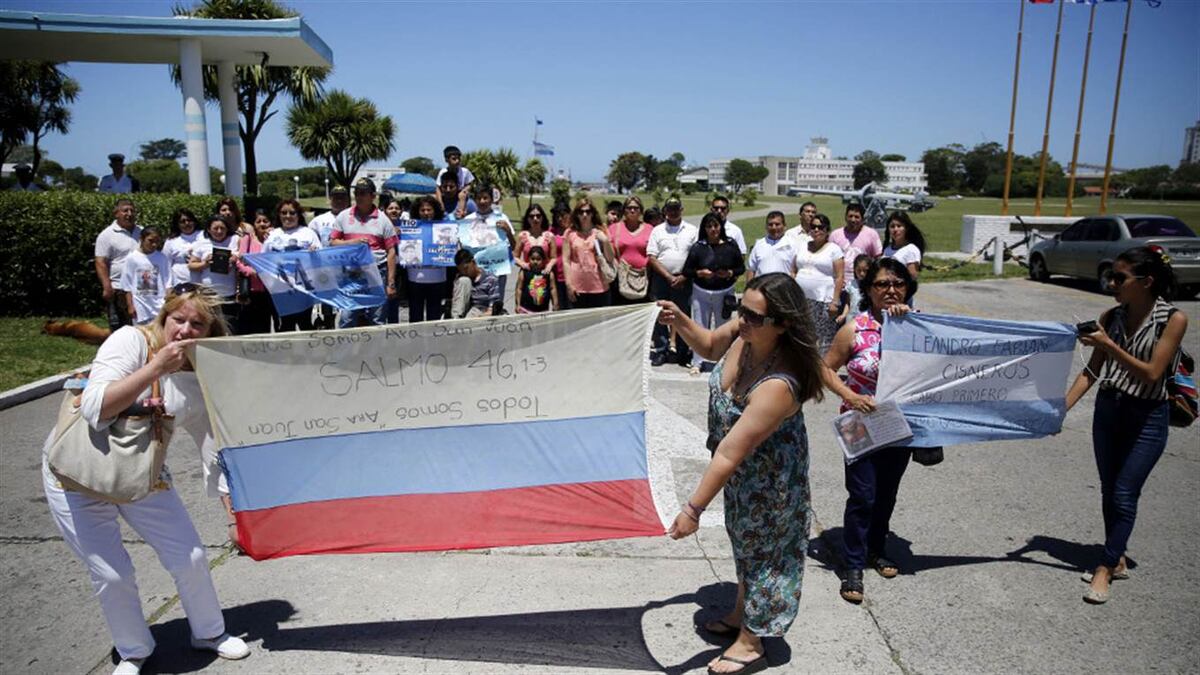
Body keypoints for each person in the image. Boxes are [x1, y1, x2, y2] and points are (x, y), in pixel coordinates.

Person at [42, 286, 250, 675]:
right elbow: (94, 407)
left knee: (190, 556)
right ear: (163, 318)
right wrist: (155, 369)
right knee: (112, 572)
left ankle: (208, 632)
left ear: (209, 332)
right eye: (179, 320)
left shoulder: (201, 376)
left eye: (197, 324)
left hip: (141, 471)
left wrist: (232, 516)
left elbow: (213, 448)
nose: (185, 330)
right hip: (77, 473)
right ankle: (133, 650)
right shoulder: (130, 341)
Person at [659, 273, 825, 675]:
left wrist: (693, 509)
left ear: (782, 323)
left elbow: (731, 452)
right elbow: (711, 345)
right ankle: (740, 611)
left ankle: (753, 641)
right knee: (744, 543)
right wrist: (681, 319)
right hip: (742, 476)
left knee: (768, 554)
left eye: (753, 316)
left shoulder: (779, 384)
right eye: (740, 309)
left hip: (770, 482)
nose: (741, 320)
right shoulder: (747, 332)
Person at [1065, 247, 1189, 605]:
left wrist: (1107, 343)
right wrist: (1061, 409)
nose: (1111, 283)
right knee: (1109, 489)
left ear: (1147, 282)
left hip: (1148, 414)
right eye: (1112, 276)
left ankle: (1104, 567)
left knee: (1124, 492)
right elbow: (1092, 371)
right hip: (1109, 410)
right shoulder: (1112, 315)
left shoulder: (1173, 319)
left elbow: (1152, 372)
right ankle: (1115, 554)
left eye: (1120, 278)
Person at [821, 257, 917, 605]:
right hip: (857, 422)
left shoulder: (918, 328)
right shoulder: (854, 329)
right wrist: (849, 395)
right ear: (868, 290)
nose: (891, 290)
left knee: (886, 493)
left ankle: (877, 548)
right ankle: (853, 564)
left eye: (898, 283)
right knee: (862, 494)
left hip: (898, 424)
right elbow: (825, 368)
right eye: (882, 284)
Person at [683, 213, 745, 375]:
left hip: (724, 292)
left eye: (716, 226)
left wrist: (730, 272)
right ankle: (697, 361)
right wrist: (700, 273)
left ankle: (723, 361)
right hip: (701, 292)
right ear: (704, 228)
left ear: (721, 227)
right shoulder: (698, 247)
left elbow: (741, 267)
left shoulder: (730, 245)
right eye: (709, 226)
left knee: (723, 328)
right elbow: (687, 270)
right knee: (699, 326)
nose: (713, 230)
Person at [331, 178, 398, 327]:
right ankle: (347, 350)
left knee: (377, 318)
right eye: (357, 193)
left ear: (373, 196)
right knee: (347, 317)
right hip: (351, 275)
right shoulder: (343, 216)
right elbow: (333, 242)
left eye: (363, 193)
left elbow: (391, 252)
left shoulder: (383, 219)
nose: (359, 197)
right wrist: (351, 243)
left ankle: (376, 350)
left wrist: (391, 283)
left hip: (377, 273)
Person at [647, 196, 698, 366]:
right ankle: (662, 350)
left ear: (681, 210)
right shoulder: (657, 230)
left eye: (676, 208)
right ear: (665, 211)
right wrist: (668, 277)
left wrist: (684, 276)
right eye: (670, 209)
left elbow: (696, 256)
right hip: (662, 278)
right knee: (660, 314)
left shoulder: (692, 230)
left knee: (682, 315)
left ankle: (683, 351)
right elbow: (652, 257)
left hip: (684, 278)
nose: (673, 212)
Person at [262, 198, 321, 332]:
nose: (287, 216)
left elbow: (320, 258)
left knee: (305, 323)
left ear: (298, 215)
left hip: (305, 289)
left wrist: (314, 252)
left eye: (292, 213)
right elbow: (264, 260)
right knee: (286, 326)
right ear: (278, 215)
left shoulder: (308, 233)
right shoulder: (272, 235)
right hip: (281, 290)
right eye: (284, 213)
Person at [794, 213, 845, 352]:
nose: (816, 230)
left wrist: (835, 301)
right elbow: (793, 271)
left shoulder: (834, 249)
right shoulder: (802, 246)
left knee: (824, 339)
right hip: (802, 300)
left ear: (827, 230)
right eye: (813, 227)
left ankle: (823, 368)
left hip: (824, 301)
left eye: (820, 227)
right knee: (804, 336)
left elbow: (840, 276)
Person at [462, 183, 516, 301]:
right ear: (474, 200)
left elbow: (513, 246)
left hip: (497, 271)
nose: (482, 201)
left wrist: (507, 231)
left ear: (491, 199)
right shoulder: (467, 221)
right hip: (476, 273)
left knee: (496, 305)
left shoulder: (502, 218)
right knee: (476, 305)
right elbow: (463, 250)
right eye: (479, 198)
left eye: (485, 198)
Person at [95, 199, 143, 331]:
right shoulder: (106, 235)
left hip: (143, 286)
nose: (129, 213)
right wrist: (106, 286)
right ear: (116, 213)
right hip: (119, 287)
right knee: (120, 326)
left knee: (142, 323)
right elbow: (100, 262)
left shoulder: (142, 232)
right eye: (125, 210)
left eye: (132, 210)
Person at [562, 197, 615, 309]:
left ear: (593, 214)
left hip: (599, 287)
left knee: (600, 325)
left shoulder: (601, 230)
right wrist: (568, 284)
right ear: (576, 214)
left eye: (588, 211)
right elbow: (566, 261)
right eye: (581, 212)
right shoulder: (570, 233)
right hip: (577, 287)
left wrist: (605, 240)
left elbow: (610, 258)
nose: (584, 215)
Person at [189, 215, 240, 329]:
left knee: (231, 327)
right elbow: (191, 265)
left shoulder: (234, 240)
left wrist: (235, 259)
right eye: (215, 228)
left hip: (229, 294)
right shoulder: (202, 244)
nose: (219, 231)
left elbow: (243, 258)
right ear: (208, 229)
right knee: (211, 327)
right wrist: (205, 264)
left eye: (222, 228)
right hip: (209, 294)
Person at [404, 196, 449, 323]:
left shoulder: (444, 227)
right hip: (415, 278)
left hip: (437, 279)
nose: (426, 213)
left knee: (434, 317)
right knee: (415, 316)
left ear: (435, 211)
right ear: (417, 212)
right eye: (422, 210)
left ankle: (433, 343)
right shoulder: (410, 227)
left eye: (429, 210)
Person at [234, 209, 275, 335]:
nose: (262, 224)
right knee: (248, 327)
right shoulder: (248, 239)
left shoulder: (275, 239)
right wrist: (250, 272)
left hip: (269, 291)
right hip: (252, 290)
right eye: (259, 221)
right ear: (254, 224)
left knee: (264, 327)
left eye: (265, 221)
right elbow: (239, 261)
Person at [120, 227, 171, 325]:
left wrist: (168, 302)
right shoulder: (132, 258)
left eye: (157, 241)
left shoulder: (162, 258)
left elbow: (168, 282)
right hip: (141, 306)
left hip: (159, 305)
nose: (154, 244)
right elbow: (127, 285)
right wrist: (130, 305)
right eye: (150, 241)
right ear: (141, 239)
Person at [611, 195, 653, 305]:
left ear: (641, 211)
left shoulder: (650, 229)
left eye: (636, 208)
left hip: (643, 279)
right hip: (620, 279)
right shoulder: (614, 228)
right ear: (624, 210)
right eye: (629, 208)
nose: (632, 210)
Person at [829, 203, 882, 287]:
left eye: (857, 217)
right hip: (839, 282)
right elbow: (829, 259)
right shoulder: (835, 235)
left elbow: (878, 258)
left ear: (863, 219)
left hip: (863, 282)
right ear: (845, 217)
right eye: (850, 216)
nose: (853, 220)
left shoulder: (872, 234)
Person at [746, 211, 798, 283]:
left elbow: (796, 271)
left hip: (784, 289)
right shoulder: (759, 245)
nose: (774, 227)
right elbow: (751, 269)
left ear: (785, 226)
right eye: (770, 224)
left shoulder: (792, 245)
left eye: (777, 224)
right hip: (761, 289)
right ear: (766, 227)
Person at [451, 248, 500, 318]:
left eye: (466, 268)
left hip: (482, 312)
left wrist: (481, 317)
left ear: (473, 262)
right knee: (463, 281)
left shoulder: (490, 279)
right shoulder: (463, 278)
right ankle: (455, 321)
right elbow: (457, 299)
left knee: (474, 313)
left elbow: (493, 307)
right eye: (461, 270)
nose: (464, 272)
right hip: (465, 310)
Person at [162, 208, 202, 286]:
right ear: (177, 224)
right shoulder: (171, 241)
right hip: (179, 284)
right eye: (182, 221)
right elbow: (166, 265)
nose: (187, 223)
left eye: (189, 220)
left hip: (202, 285)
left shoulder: (204, 236)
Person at [882, 211, 926, 280]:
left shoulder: (911, 250)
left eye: (899, 226)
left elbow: (912, 278)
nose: (895, 229)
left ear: (906, 228)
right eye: (892, 226)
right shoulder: (887, 249)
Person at [515, 203, 558, 273]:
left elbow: (554, 258)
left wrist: (549, 266)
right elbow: (515, 257)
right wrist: (523, 264)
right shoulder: (522, 236)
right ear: (527, 219)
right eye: (531, 216)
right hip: (527, 274)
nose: (535, 219)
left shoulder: (550, 236)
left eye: (538, 216)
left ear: (542, 217)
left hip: (544, 274)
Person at [514, 245, 558, 313]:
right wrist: (517, 304)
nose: (535, 261)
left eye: (538, 259)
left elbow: (553, 289)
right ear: (529, 258)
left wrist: (555, 304)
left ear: (543, 260)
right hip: (525, 310)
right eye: (532, 259)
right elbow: (519, 289)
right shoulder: (524, 272)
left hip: (543, 310)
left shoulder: (548, 273)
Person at [550, 204, 573, 310]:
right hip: (556, 277)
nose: (560, 219)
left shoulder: (575, 230)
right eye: (557, 216)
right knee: (558, 308)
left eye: (563, 215)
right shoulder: (551, 232)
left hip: (573, 277)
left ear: (569, 214)